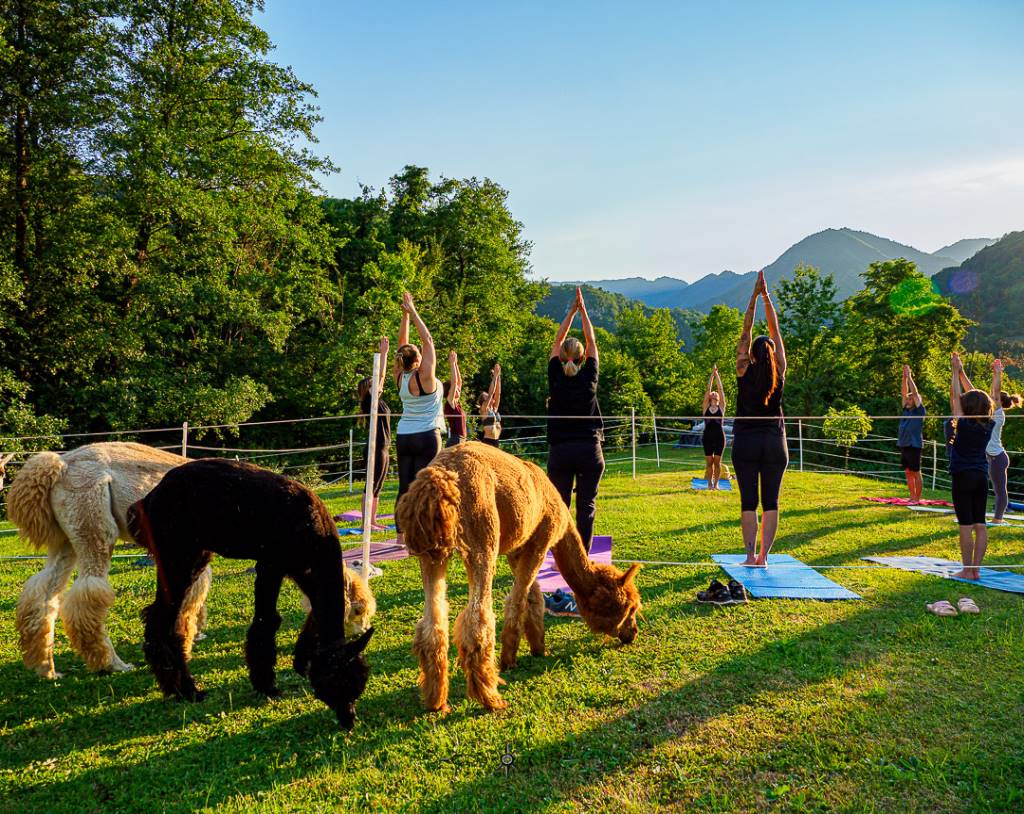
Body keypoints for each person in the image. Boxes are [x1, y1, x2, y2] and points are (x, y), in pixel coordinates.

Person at [732, 270, 787, 566]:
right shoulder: (780, 368)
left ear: (752, 354)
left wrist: (753, 298)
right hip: (775, 442)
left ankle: (750, 555)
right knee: (771, 503)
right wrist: (768, 299)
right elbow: (775, 331)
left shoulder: (743, 367)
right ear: (773, 353)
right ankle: (764, 557)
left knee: (748, 503)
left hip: (746, 441)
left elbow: (745, 332)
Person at [547, 287, 603, 554]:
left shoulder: (556, 376)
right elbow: (591, 342)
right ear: (582, 358)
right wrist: (584, 313)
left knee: (559, 504)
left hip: (560, 449)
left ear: (560, 357)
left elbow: (558, 340)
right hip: (588, 449)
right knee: (586, 506)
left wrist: (570, 312)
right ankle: (582, 554)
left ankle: (560, 551)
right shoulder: (589, 376)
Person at [393, 292, 444, 545]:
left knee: (405, 486)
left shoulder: (400, 376)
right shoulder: (425, 376)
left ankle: (400, 538)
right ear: (418, 360)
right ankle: (426, 534)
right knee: (428, 486)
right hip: (427, 436)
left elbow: (404, 345)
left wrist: (404, 315)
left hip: (404, 436)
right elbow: (428, 339)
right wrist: (412, 312)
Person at [947, 352, 994, 580]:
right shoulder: (989, 423)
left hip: (962, 476)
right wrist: (962, 372)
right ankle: (976, 570)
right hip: (980, 477)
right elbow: (978, 399)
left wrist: (955, 372)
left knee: (965, 525)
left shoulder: (963, 424)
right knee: (980, 524)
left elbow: (958, 397)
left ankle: (967, 570)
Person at [358, 336, 391, 531]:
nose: (378, 385)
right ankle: (365, 523)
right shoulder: (368, 402)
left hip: (384, 446)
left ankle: (373, 520)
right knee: (370, 486)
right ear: (367, 389)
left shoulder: (378, 400)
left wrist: (385, 354)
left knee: (377, 486)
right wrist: (382, 354)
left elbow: (383, 377)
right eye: (373, 384)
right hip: (375, 447)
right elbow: (381, 377)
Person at [986, 358, 1021, 524]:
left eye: (995, 397)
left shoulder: (998, 413)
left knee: (1000, 491)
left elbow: (996, 390)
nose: (991, 397)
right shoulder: (992, 411)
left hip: (998, 457)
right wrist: (994, 374)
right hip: (994, 456)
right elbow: (993, 391)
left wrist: (999, 373)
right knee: (996, 489)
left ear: (999, 401)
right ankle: (997, 517)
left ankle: (998, 519)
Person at [898, 365, 926, 502]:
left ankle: (917, 498)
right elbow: (904, 393)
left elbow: (914, 393)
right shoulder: (906, 410)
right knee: (908, 472)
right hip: (904, 443)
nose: (908, 400)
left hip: (914, 444)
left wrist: (909, 377)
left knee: (916, 472)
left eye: (911, 399)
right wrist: (903, 377)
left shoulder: (919, 411)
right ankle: (912, 497)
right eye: (908, 399)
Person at [702, 365, 727, 490]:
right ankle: (709, 484)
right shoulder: (706, 407)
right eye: (712, 393)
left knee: (717, 463)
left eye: (715, 393)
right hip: (707, 437)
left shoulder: (721, 407)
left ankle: (716, 484)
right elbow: (708, 389)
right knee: (709, 463)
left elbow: (720, 389)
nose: (714, 393)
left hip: (719, 438)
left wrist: (717, 375)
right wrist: (712, 375)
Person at [443, 350, 467, 447]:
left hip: (461, 440)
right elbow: (455, 382)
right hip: (455, 440)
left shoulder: (456, 404)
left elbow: (459, 381)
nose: (458, 389)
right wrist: (452, 364)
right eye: (456, 389)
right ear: (450, 392)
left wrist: (456, 364)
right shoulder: (450, 402)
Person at [478, 364, 502, 448]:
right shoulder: (484, 409)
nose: (489, 397)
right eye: (487, 397)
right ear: (484, 401)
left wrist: (498, 376)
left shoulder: (494, 408)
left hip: (496, 441)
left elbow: (498, 394)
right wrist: (494, 377)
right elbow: (491, 393)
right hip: (488, 441)